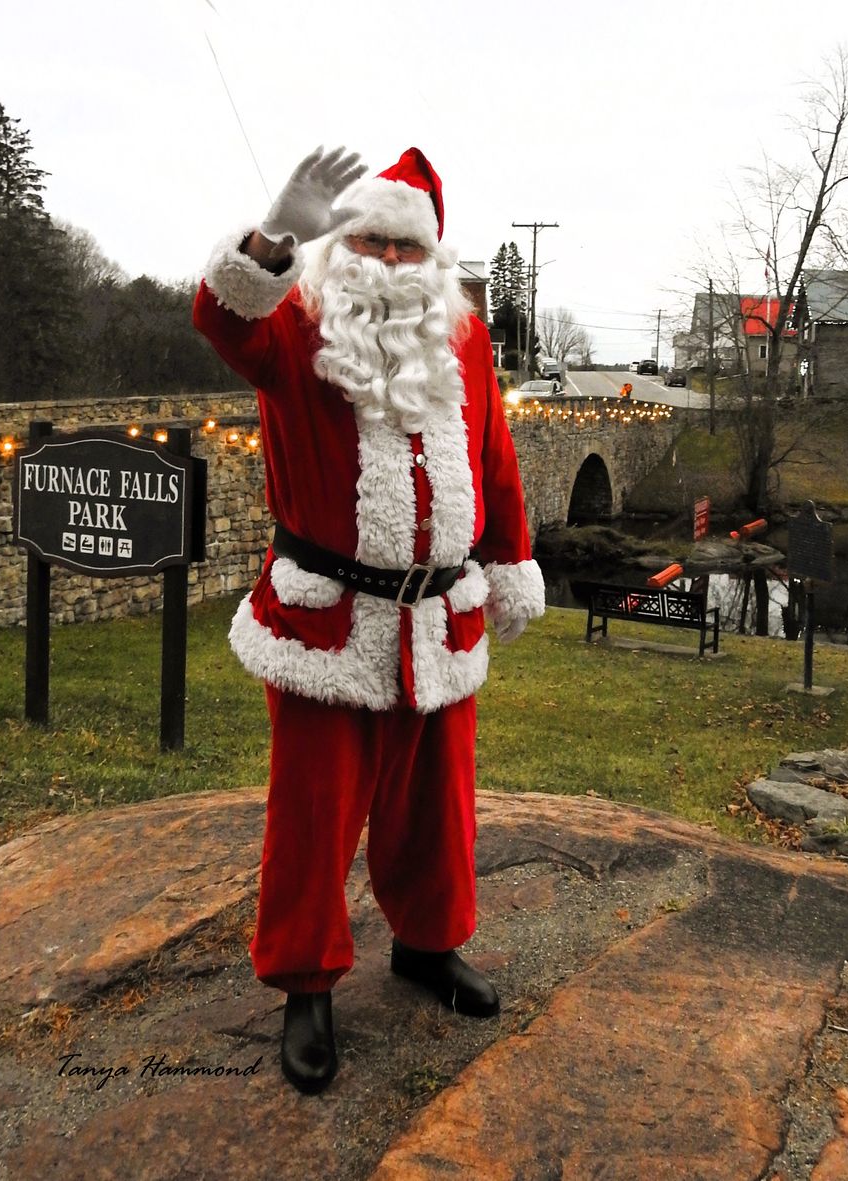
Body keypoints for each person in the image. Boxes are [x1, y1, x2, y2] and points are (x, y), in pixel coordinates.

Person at [193, 145, 544, 1095]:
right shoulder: (300, 329)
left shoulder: (466, 343)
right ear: (343, 246)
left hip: (440, 619)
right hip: (329, 622)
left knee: (439, 808)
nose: (390, 262)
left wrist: (510, 563)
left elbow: (496, 457)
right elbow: (224, 320)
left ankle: (428, 946)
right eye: (372, 242)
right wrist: (274, 240)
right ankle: (305, 982)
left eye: (406, 247)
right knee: (313, 815)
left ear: (432, 260)